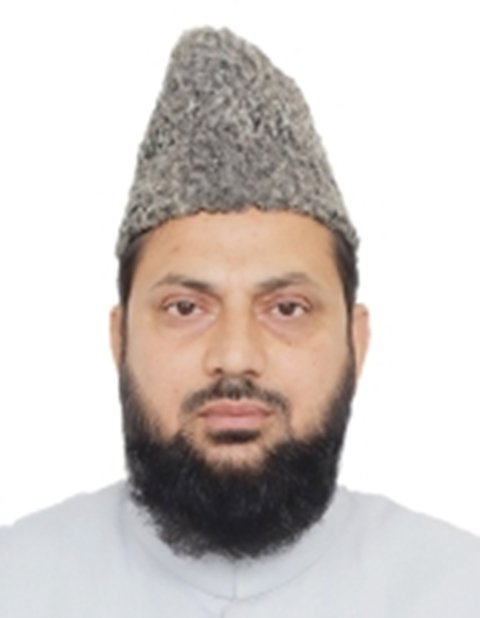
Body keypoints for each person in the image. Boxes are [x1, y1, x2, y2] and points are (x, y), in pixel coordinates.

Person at [1, 26, 479, 617]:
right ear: (119, 339)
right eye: (185, 308)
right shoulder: (16, 584)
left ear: (356, 342)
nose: (234, 356)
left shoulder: (460, 590)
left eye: (286, 309)